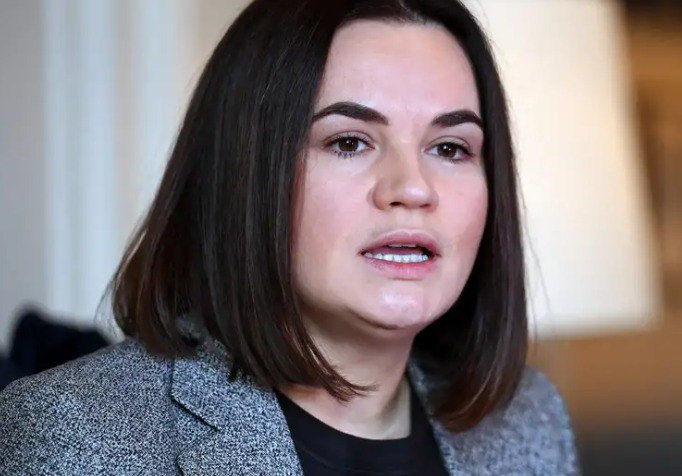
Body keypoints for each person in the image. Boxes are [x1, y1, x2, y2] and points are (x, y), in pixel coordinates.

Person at [0, 0, 580, 474]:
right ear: (247, 175)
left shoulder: (529, 420)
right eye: (349, 142)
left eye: (450, 148)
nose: (412, 187)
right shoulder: (71, 432)